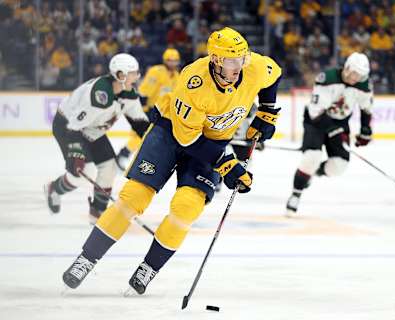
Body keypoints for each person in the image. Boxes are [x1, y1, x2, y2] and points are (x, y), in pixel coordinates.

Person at [62, 27, 282, 294]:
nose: (239, 66)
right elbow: (188, 139)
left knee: (187, 207)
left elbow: (273, 75)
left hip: (211, 142)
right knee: (133, 197)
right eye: (231, 61)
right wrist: (227, 163)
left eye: (242, 59)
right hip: (171, 133)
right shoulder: (194, 80)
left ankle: (149, 267)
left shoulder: (252, 66)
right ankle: (87, 258)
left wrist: (267, 112)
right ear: (215, 60)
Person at [44, 53, 149, 223]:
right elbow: (73, 127)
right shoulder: (99, 94)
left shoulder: (129, 95)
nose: (137, 77)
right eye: (133, 73)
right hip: (68, 126)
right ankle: (53, 189)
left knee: (109, 167)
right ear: (120, 75)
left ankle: (97, 212)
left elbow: (141, 125)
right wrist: (76, 153)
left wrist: (159, 141)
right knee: (81, 174)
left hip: (91, 129)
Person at [285, 52, 373, 217]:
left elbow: (366, 107)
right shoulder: (328, 78)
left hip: (340, 124)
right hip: (316, 122)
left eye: (360, 75)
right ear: (346, 68)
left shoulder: (363, 85)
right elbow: (315, 112)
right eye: (354, 73)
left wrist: (365, 130)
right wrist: (331, 130)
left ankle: (312, 173)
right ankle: (295, 194)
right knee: (312, 156)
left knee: (338, 166)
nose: (356, 78)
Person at [116, 48, 181, 170]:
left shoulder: (177, 76)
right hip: (149, 110)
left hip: (164, 114)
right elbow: (144, 91)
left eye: (175, 61)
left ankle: (131, 157)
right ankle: (123, 155)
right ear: (165, 60)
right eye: (170, 60)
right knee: (141, 136)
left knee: (154, 139)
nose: (172, 63)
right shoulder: (156, 71)